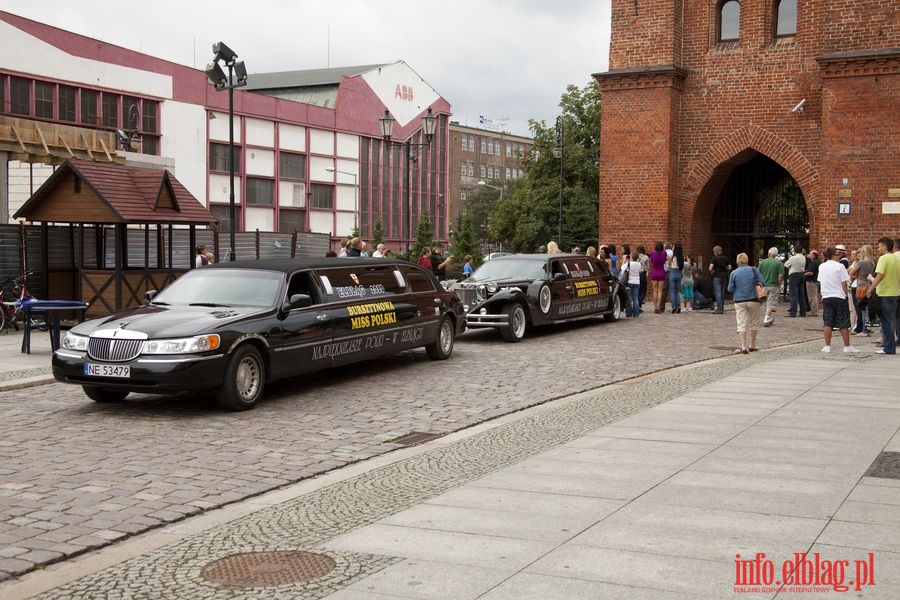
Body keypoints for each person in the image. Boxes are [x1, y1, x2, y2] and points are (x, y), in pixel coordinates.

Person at [817, 247, 858, 354]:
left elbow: (821, 281)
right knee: (843, 322)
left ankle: (827, 346)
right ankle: (847, 346)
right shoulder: (840, 266)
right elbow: (844, 282)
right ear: (833, 255)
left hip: (826, 296)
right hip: (839, 296)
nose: (839, 255)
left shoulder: (822, 266)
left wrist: (822, 293)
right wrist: (845, 294)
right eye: (837, 254)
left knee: (828, 322)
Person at [726, 253, 765, 354]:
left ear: (737, 261)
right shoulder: (754, 270)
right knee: (754, 322)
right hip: (753, 299)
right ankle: (752, 344)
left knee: (741, 323)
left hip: (739, 300)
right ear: (747, 260)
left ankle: (743, 346)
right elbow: (762, 281)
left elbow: (730, 289)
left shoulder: (734, 273)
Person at [867, 237, 899, 355]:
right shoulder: (896, 258)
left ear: (885, 247)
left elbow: (879, 276)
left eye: (879, 246)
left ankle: (888, 347)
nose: (878, 248)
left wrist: (870, 289)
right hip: (894, 292)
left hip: (884, 292)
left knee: (886, 321)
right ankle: (890, 346)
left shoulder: (884, 258)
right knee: (891, 319)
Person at [849, 244, 875, 336]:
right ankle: (867, 328)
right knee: (867, 308)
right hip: (868, 285)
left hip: (860, 286)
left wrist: (856, 274)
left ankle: (864, 329)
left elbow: (851, 272)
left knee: (861, 309)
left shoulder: (861, 262)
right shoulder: (872, 262)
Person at [758, 247, 784, 327]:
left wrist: (759, 284)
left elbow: (759, 274)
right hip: (774, 285)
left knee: (765, 302)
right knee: (771, 302)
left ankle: (769, 317)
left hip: (764, 285)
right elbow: (780, 275)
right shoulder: (779, 263)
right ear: (776, 255)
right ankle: (766, 318)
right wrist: (779, 284)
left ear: (769, 253)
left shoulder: (762, 262)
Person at [784, 249, 807, 318]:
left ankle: (793, 312)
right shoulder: (803, 258)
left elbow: (786, 264)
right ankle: (803, 312)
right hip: (802, 274)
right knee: (801, 294)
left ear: (795, 251)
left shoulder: (794, 258)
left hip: (794, 275)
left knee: (793, 294)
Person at [709, 245, 731, 314]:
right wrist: (724, 268)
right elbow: (729, 268)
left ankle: (719, 309)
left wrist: (712, 272)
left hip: (717, 277)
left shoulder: (714, 258)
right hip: (724, 277)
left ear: (715, 251)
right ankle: (722, 308)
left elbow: (710, 268)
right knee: (722, 293)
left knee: (717, 293)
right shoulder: (725, 258)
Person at [622, 249, 643, 318]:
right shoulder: (639, 264)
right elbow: (641, 271)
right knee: (635, 299)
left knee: (629, 299)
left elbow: (622, 269)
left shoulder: (628, 263)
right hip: (637, 282)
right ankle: (636, 313)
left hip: (629, 281)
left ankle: (629, 313)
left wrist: (624, 261)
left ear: (631, 256)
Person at [649, 241, 668, 314]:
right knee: (660, 290)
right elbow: (665, 260)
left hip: (654, 271)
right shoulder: (664, 253)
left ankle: (655, 307)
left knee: (655, 290)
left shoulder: (653, 253)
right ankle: (658, 307)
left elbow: (651, 261)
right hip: (661, 272)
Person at [668, 243, 685, 313]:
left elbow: (669, 265)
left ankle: (673, 307)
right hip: (679, 273)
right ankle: (678, 306)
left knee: (672, 291)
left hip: (673, 272)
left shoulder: (673, 257)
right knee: (677, 291)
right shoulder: (682, 257)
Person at [805, 249, 821, 317]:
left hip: (811, 281)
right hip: (815, 281)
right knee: (814, 296)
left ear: (814, 255)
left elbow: (811, 273)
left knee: (812, 297)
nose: (809, 255)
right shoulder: (818, 262)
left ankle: (813, 311)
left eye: (810, 254)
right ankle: (814, 310)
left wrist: (803, 274)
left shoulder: (814, 262)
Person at [637, 244, 650, 308]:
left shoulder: (635, 256)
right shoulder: (646, 257)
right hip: (643, 274)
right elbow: (648, 267)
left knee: (638, 289)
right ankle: (639, 303)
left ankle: (638, 303)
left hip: (636, 274)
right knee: (643, 290)